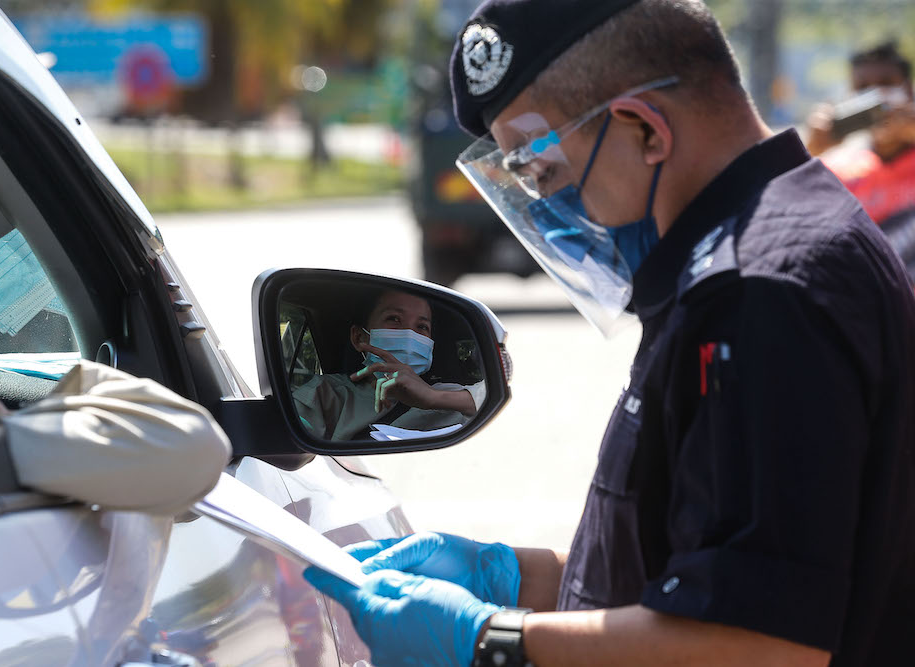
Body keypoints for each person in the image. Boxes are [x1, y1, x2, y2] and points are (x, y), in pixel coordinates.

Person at [305, 1, 915, 666]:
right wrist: (522, 576)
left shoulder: (757, 294)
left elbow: (760, 643)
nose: (549, 206)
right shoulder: (761, 245)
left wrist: (492, 641)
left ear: (643, 130)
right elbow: (704, 569)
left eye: (543, 173)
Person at [292, 288, 485, 441]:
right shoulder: (325, 394)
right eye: (394, 319)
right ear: (359, 337)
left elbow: (498, 398)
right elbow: (289, 446)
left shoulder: (450, 395)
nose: (409, 334)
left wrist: (433, 398)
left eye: (422, 327)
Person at [806, 41, 915, 225]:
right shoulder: (839, 172)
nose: (875, 98)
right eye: (863, 88)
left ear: (909, 91)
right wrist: (808, 153)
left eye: (886, 83)